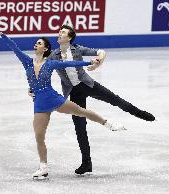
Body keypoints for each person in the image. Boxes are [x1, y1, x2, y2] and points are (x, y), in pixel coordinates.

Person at [0, 26, 126, 179]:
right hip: (40, 104)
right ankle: (43, 167)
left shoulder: (50, 63)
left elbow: (70, 64)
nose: (36, 45)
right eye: (36, 43)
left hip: (54, 99)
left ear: (46, 48)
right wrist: (2, 35)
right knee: (39, 135)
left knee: (82, 112)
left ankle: (109, 124)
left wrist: (88, 62)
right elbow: (13, 47)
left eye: (39, 43)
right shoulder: (27, 62)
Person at [29, 25, 155, 175]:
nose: (59, 33)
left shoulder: (78, 49)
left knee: (115, 99)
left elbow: (100, 52)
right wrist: (32, 89)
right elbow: (40, 71)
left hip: (88, 85)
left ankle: (139, 113)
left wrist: (99, 61)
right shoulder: (53, 55)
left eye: (63, 32)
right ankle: (86, 163)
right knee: (80, 128)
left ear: (69, 37)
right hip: (73, 92)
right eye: (60, 32)